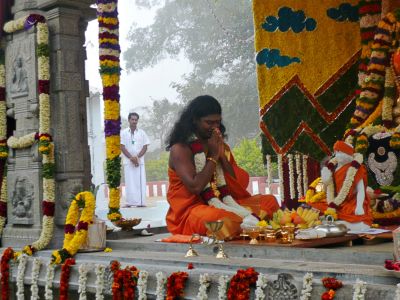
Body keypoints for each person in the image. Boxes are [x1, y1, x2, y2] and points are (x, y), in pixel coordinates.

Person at [165, 95, 279, 240]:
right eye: (209, 122)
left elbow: (238, 184)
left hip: (227, 203)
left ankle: (243, 225)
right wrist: (213, 156)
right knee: (220, 218)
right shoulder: (181, 148)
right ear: (194, 120)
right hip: (192, 211)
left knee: (269, 201)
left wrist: (222, 156)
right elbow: (195, 187)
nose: (214, 127)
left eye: (217, 123)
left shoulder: (219, 146)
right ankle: (247, 224)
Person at [310, 140, 372, 230]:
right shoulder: (333, 167)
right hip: (337, 201)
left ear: (348, 155)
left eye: (340, 152)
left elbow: (361, 190)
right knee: (315, 204)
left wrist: (359, 206)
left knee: (362, 223)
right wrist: (326, 181)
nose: (337, 155)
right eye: (336, 152)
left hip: (353, 201)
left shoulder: (356, 168)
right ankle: (336, 223)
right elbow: (328, 191)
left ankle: (338, 224)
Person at [121, 112, 150, 207]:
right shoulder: (124, 133)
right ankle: (129, 203)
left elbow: (145, 146)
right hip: (128, 162)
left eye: (136, 120)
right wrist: (131, 158)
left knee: (140, 182)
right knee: (129, 183)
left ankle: (141, 203)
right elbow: (122, 147)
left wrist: (137, 157)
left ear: (137, 121)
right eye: (132, 119)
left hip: (139, 162)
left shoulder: (142, 133)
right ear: (129, 120)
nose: (134, 121)